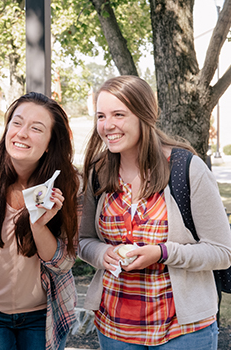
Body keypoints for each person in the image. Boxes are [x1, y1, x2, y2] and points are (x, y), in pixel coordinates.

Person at [78, 75, 231, 349]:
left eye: (118, 114)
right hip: (115, 329)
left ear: (144, 115)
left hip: (184, 332)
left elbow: (222, 252)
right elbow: (84, 241)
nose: (107, 125)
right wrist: (103, 254)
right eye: (101, 116)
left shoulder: (187, 168)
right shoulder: (98, 173)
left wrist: (162, 253)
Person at [0, 92, 80, 350]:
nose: (22, 133)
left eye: (36, 128)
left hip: (43, 314)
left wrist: (38, 224)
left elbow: (63, 263)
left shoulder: (67, 186)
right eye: (17, 122)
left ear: (49, 143)